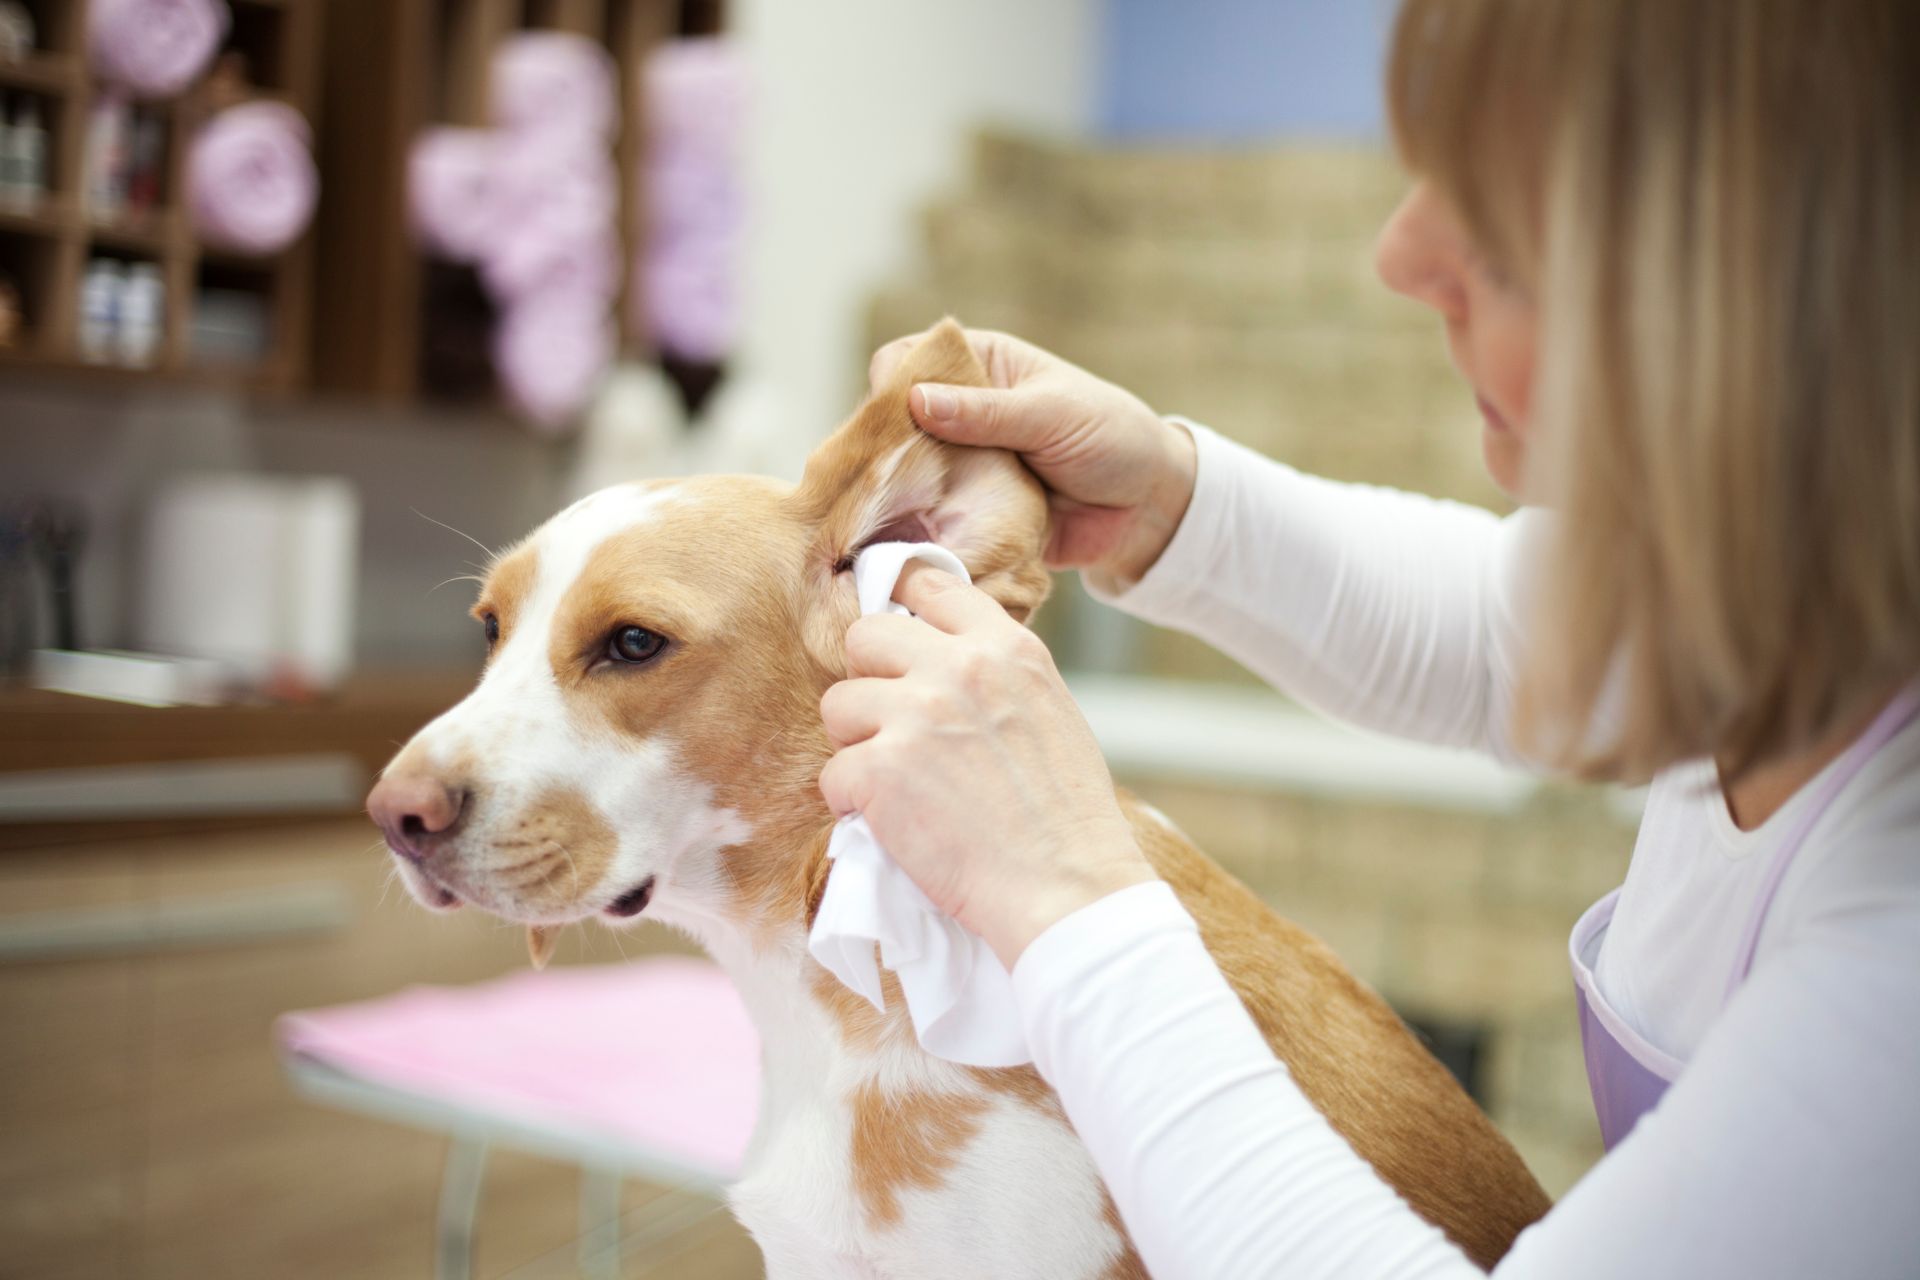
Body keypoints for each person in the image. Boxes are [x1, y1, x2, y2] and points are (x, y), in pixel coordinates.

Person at [816, 1, 1920, 1276]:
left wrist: (1064, 891)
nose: (1403, 255)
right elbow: (1493, 625)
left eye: (1503, 241)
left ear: (1766, 327)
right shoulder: (1789, 595)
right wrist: (1165, 498)